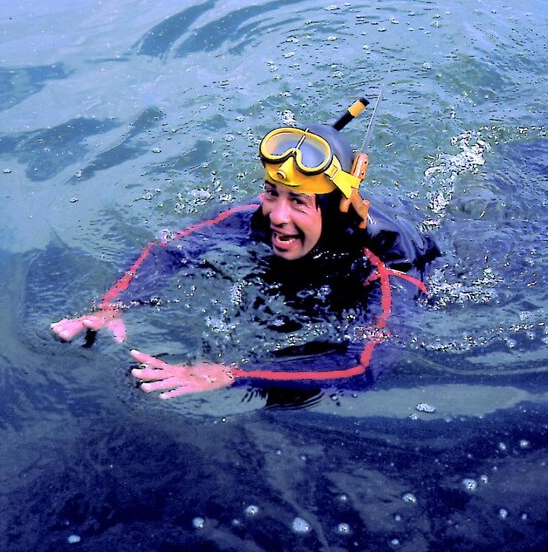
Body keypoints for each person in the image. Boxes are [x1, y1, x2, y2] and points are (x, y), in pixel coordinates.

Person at [51, 100, 438, 399]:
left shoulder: (387, 260)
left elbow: (364, 366)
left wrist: (229, 374)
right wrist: (113, 305)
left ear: (332, 209)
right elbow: (170, 248)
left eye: (298, 202)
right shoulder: (257, 215)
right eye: (273, 193)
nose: (276, 216)